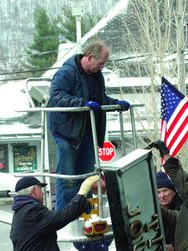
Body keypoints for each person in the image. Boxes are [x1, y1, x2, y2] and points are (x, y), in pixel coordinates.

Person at [48, 39, 130, 210]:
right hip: (67, 133)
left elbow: (99, 100)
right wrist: (82, 103)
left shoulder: (96, 76)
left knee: (87, 178)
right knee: (68, 178)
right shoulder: (67, 73)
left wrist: (116, 104)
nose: (101, 67)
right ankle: (65, 217)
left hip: (87, 133)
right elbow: (56, 97)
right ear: (90, 57)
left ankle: (86, 215)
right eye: (101, 63)